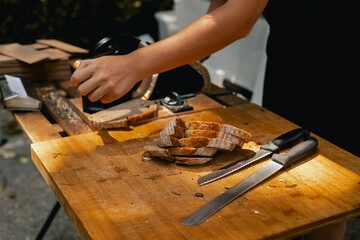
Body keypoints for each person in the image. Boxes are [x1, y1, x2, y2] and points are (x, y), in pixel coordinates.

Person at [71, 0, 359, 239]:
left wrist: (137, 62)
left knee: (329, 194)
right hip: (293, 57)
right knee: (297, 194)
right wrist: (183, 58)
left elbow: (239, 19)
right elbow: (222, 8)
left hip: (345, 58)